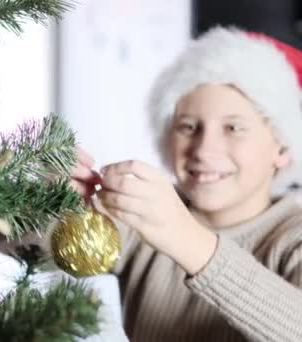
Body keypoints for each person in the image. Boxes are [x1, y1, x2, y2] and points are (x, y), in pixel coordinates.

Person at [71, 27, 302, 341]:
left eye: (234, 128)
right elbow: (30, 247)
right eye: (188, 127)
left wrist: (185, 237)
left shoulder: (293, 240)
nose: (204, 150)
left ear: (283, 148)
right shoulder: (142, 216)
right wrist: (52, 198)